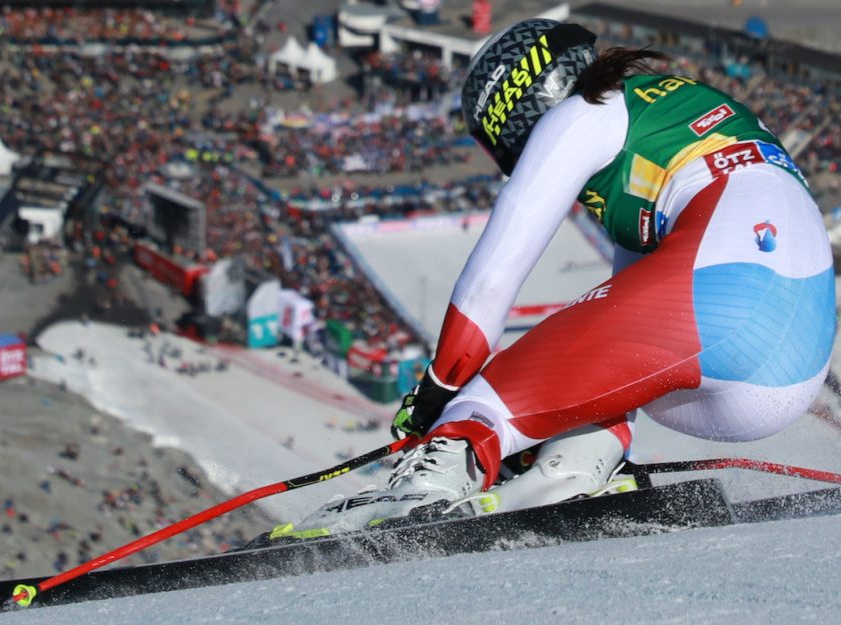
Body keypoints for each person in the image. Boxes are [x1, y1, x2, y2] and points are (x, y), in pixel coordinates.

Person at [290, 19, 836, 535]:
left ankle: (429, 484)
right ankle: (573, 473)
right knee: (592, 359)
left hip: (735, 292)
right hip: (793, 359)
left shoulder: (581, 114)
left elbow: (493, 275)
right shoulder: (659, 121)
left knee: (482, 402)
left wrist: (443, 391)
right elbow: (620, 334)